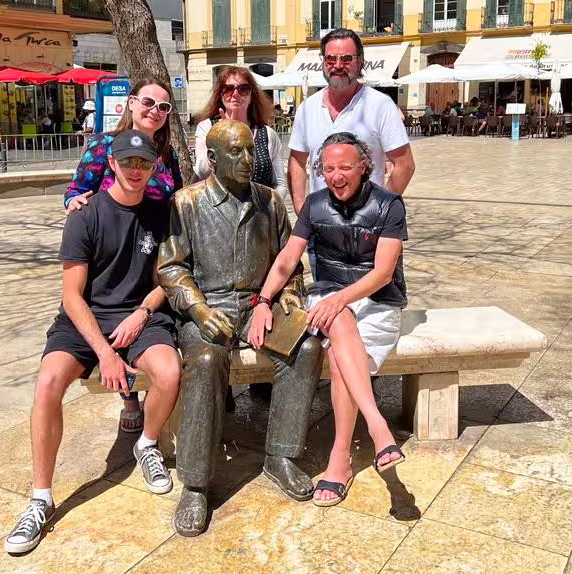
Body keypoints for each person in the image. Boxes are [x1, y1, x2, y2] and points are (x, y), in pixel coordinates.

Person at [5, 130, 181, 555]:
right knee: (47, 384)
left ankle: (147, 443)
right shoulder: (85, 216)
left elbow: (168, 280)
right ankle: (40, 498)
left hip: (139, 315)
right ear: (112, 165)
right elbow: (72, 295)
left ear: (153, 167)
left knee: (170, 371)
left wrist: (141, 314)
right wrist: (104, 353)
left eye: (144, 163)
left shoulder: (162, 214)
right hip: (83, 321)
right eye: (127, 162)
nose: (135, 170)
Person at [157, 121, 324, 537]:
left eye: (251, 151)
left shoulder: (269, 201)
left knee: (305, 347)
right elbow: (171, 267)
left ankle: (280, 456)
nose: (249, 160)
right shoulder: (187, 203)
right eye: (237, 152)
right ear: (212, 159)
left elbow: (288, 260)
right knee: (209, 359)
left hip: (257, 305)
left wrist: (289, 293)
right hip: (208, 307)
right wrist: (196, 309)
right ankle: (196, 484)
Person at [249, 132, 407, 507]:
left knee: (339, 357)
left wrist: (339, 299)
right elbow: (288, 258)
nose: (336, 175)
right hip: (331, 298)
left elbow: (383, 272)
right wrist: (263, 300)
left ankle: (340, 459)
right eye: (329, 168)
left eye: (346, 167)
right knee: (339, 321)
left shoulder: (389, 206)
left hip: (378, 301)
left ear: (365, 166)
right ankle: (376, 425)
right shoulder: (315, 205)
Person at [63, 79, 184, 436]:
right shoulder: (103, 145)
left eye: (164, 107)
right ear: (131, 103)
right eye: (149, 102)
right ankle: (130, 398)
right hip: (112, 252)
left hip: (152, 248)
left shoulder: (166, 153)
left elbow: (175, 196)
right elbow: (77, 190)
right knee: (116, 316)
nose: (155, 112)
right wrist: (75, 204)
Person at [287, 28, 415, 218]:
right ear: (323, 62)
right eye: (331, 59)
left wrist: (380, 210)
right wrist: (301, 210)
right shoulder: (307, 109)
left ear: (360, 61)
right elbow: (296, 162)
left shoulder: (380, 105)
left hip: (367, 228)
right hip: (322, 227)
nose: (338, 65)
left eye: (346, 59)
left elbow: (405, 164)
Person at [193, 66, 289, 205]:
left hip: (260, 215)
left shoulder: (267, 134)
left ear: (252, 95)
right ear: (221, 94)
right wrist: (223, 134)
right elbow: (201, 172)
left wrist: (270, 208)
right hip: (218, 215)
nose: (235, 94)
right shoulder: (207, 127)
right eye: (229, 89)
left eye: (243, 89)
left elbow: (280, 183)